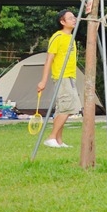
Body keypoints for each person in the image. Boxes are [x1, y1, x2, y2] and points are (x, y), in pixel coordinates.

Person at [37, 9, 82, 149]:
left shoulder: (71, 37)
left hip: (70, 77)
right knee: (68, 107)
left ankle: (58, 140)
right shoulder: (57, 37)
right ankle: (51, 137)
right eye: (70, 18)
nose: (74, 19)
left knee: (62, 109)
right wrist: (43, 81)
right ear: (62, 22)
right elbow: (49, 60)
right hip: (62, 77)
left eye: (74, 17)